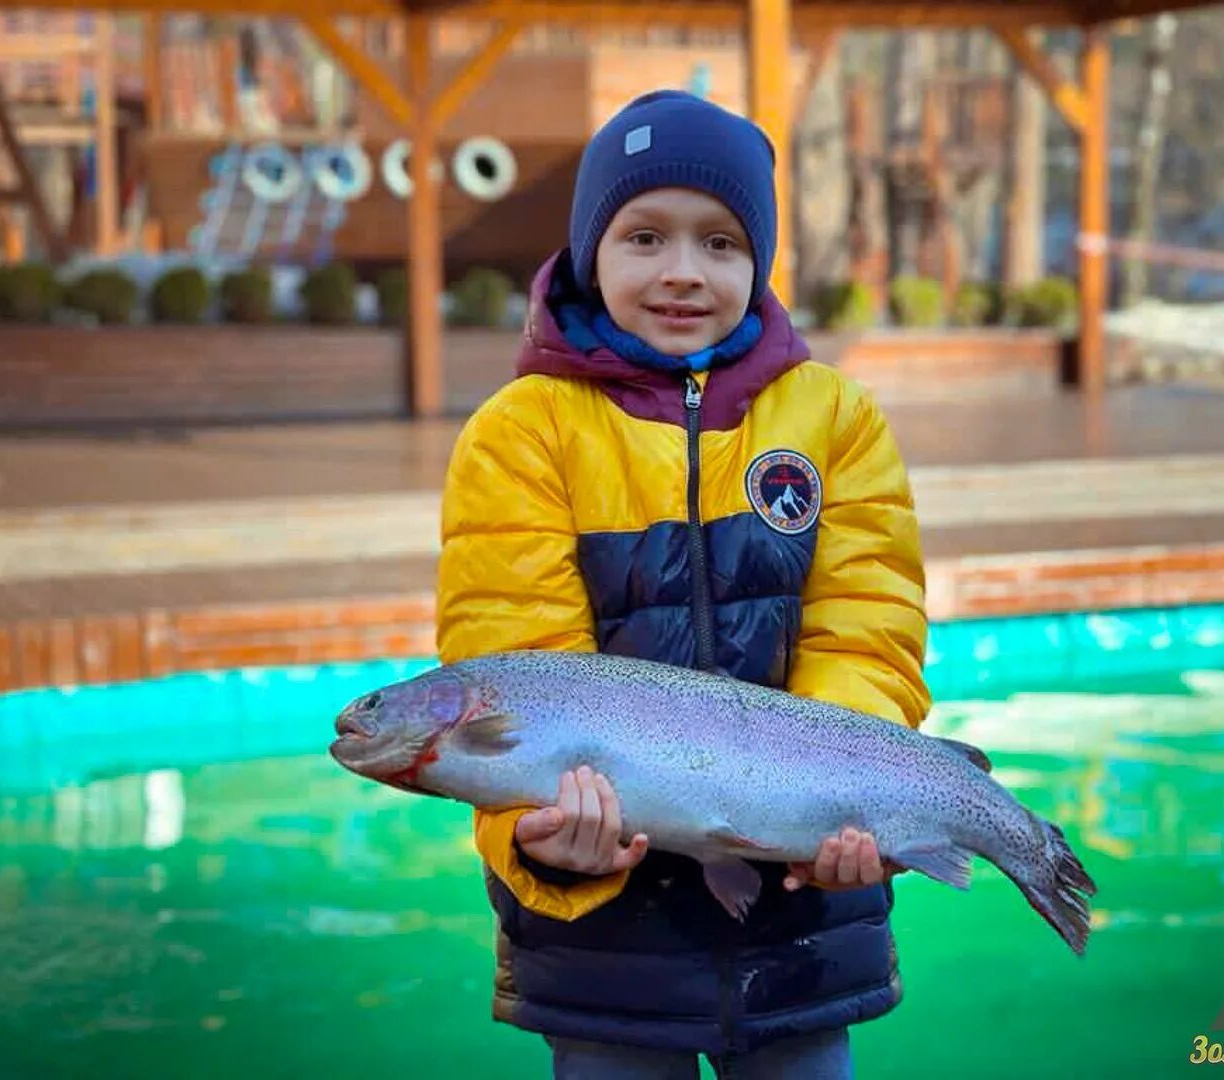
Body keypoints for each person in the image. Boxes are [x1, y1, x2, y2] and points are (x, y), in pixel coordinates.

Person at [437, 89, 930, 1079]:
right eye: (644, 236)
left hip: (803, 932)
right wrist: (542, 842)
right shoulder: (518, 432)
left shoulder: (837, 420)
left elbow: (867, 635)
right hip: (604, 953)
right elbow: (515, 683)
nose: (681, 272)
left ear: (759, 261)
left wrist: (837, 803)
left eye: (719, 243)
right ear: (588, 250)